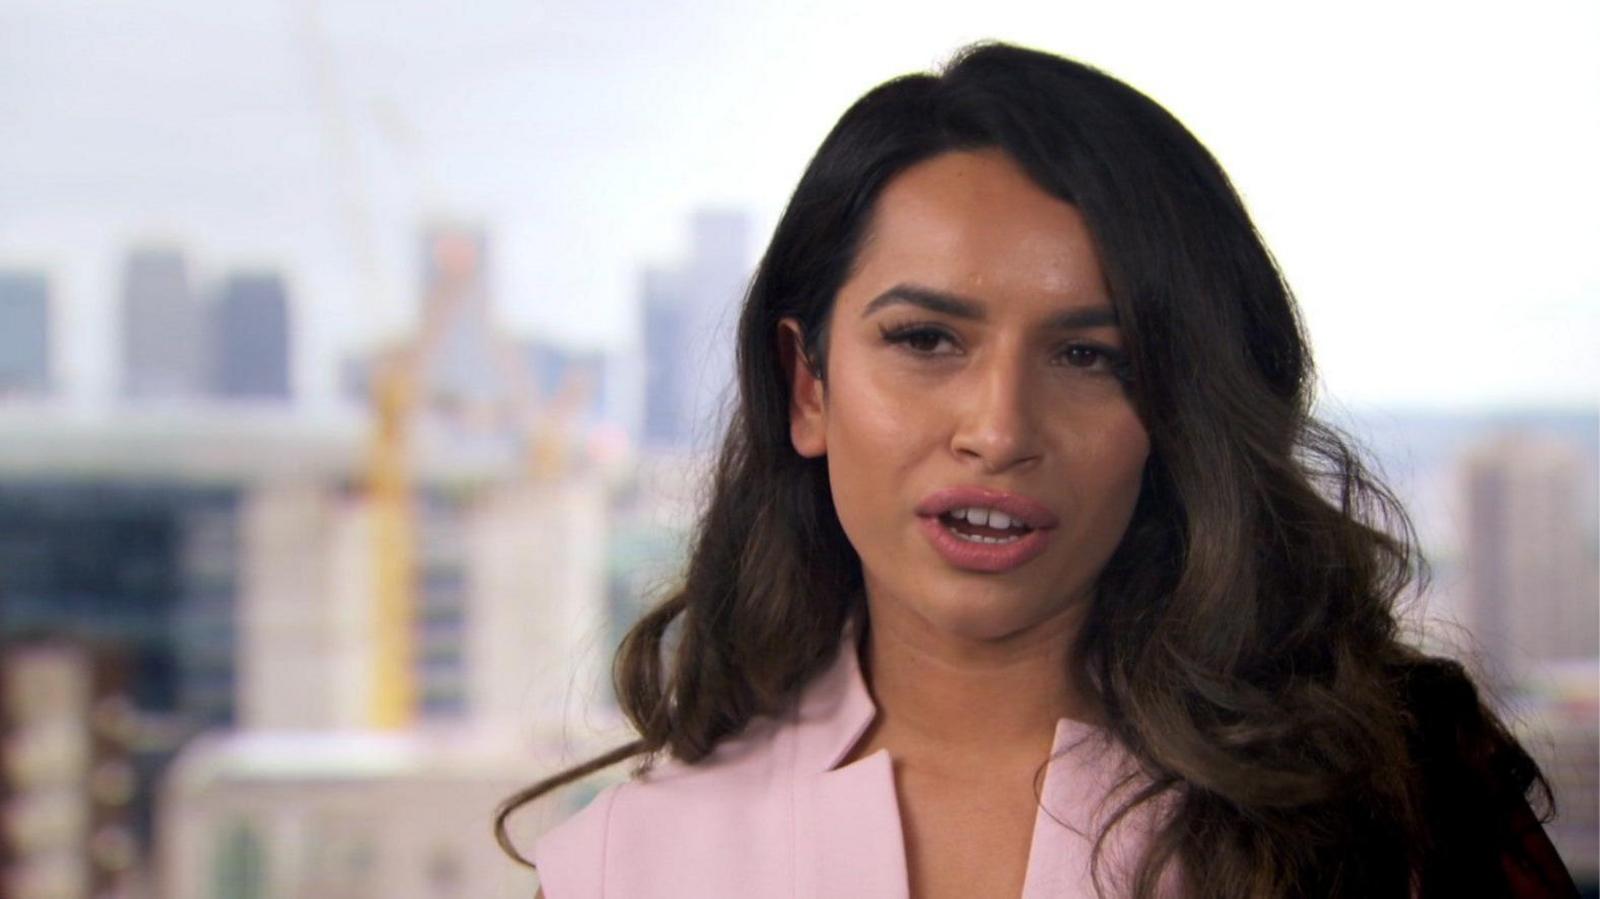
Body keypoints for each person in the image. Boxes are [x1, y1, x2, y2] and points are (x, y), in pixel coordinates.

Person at [498, 43, 1579, 898]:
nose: (999, 427)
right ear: (808, 385)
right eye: (925, 339)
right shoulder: (627, 865)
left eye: (1089, 355)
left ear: (1174, 411)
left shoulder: (1400, 797)